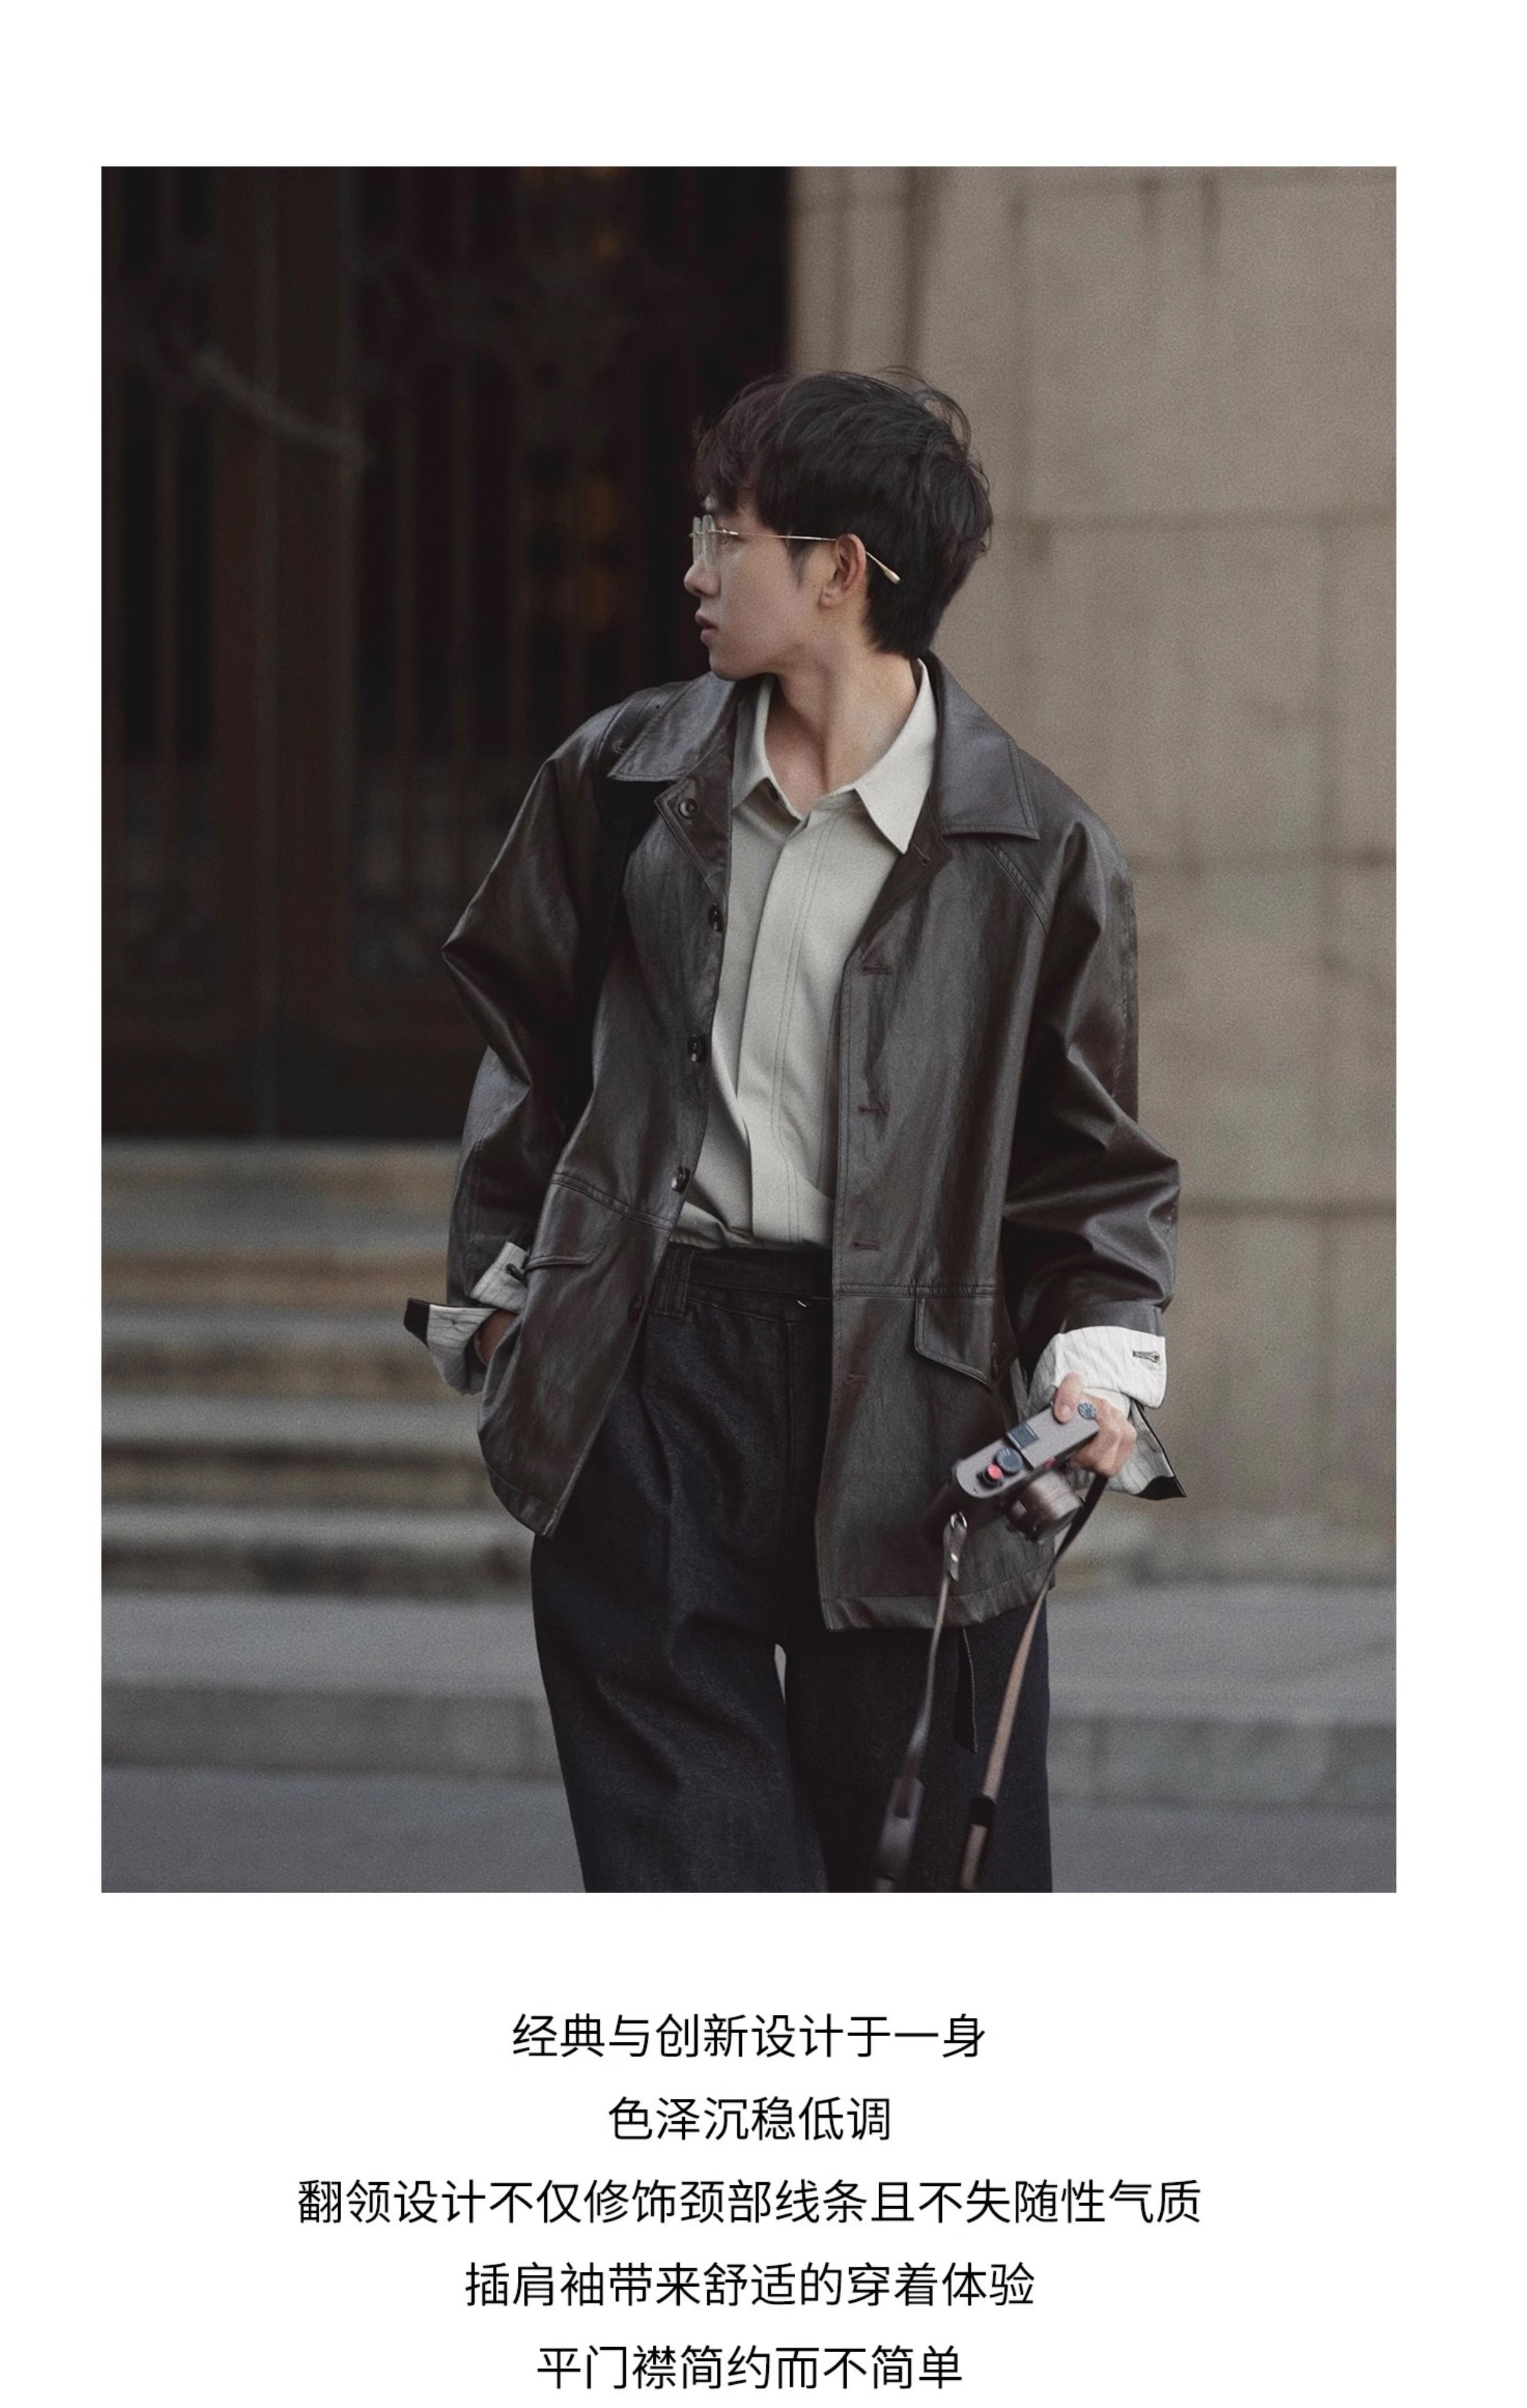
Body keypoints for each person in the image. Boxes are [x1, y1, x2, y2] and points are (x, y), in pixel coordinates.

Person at [408, 369, 1181, 1893]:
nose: (693, 569)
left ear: (841, 571)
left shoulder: (1037, 850)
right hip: (647, 1369)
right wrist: (508, 1307)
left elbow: (1089, 1164)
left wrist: (1095, 1374)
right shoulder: (620, 778)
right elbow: (529, 1039)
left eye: (727, 533)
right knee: (687, 1880)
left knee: (923, 1892)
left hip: (920, 1408)